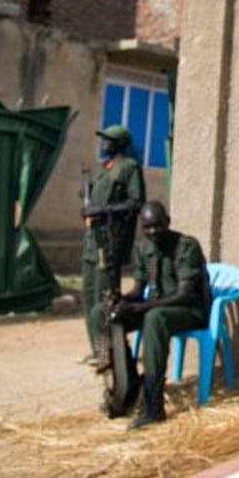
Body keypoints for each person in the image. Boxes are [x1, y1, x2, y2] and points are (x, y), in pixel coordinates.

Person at [88, 201, 210, 429]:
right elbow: (138, 290)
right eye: (147, 227)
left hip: (188, 310)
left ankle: (153, 405)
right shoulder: (144, 248)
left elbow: (184, 294)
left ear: (168, 222)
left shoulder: (186, 246)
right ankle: (126, 384)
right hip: (158, 307)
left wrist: (142, 308)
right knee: (100, 312)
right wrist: (122, 301)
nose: (153, 232)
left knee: (155, 317)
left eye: (157, 226)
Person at [81, 124, 145, 361]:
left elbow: (136, 202)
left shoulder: (129, 167)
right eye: (103, 139)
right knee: (88, 295)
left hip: (109, 243)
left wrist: (102, 210)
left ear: (120, 144)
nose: (104, 143)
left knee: (105, 295)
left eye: (109, 140)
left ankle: (111, 349)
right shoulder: (104, 170)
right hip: (91, 241)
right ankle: (97, 349)